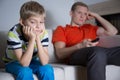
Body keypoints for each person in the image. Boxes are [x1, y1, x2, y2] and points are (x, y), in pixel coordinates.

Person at [52, 1, 120, 80]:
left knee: (101, 52)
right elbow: (60, 54)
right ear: (71, 13)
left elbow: (113, 32)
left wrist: (97, 16)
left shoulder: (90, 27)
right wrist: (80, 46)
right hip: (76, 55)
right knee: (97, 52)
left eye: (85, 14)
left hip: (98, 53)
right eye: (79, 13)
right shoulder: (62, 29)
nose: (82, 16)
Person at [3, 1, 54, 80]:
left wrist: (37, 38)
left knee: (47, 69)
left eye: (41, 22)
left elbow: (44, 62)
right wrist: (32, 39)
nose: (38, 26)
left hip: (32, 61)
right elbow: (24, 64)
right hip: (13, 62)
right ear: (22, 22)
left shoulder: (43, 33)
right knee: (25, 71)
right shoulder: (13, 33)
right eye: (33, 22)